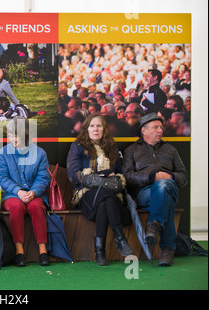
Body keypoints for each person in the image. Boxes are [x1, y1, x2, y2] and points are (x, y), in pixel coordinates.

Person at [122, 113, 189, 266]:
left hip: (169, 187)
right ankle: (167, 249)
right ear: (144, 130)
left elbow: (184, 177)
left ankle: (154, 224)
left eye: (161, 127)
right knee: (165, 197)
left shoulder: (170, 149)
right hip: (145, 193)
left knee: (164, 186)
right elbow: (127, 177)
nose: (160, 130)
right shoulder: (131, 150)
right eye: (155, 128)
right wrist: (152, 177)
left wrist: (170, 176)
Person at [66, 113, 134, 266]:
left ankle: (100, 253)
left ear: (104, 129)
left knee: (105, 199)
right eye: (92, 126)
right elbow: (74, 176)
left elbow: (118, 174)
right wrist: (103, 176)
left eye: (99, 126)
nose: (95, 129)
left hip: (109, 196)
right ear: (86, 129)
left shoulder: (112, 148)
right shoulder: (77, 146)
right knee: (105, 195)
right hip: (86, 195)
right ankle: (120, 240)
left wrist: (99, 177)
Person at [0, 117, 51, 266]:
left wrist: (34, 191)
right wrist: (18, 191)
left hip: (35, 194)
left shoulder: (40, 153)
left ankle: (43, 252)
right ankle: (19, 252)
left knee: (36, 207)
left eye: (16, 135)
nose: (12, 138)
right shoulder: (4, 153)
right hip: (12, 194)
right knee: (17, 207)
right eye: (10, 135)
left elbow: (43, 178)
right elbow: (1, 178)